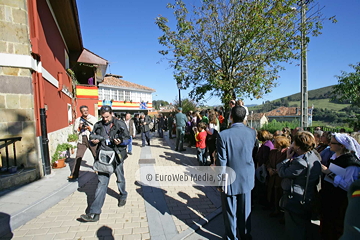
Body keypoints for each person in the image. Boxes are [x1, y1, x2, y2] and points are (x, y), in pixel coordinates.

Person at [80, 105, 130, 222]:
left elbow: (128, 138)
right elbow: (92, 138)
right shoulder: (98, 125)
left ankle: (123, 194)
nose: (105, 119)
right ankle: (94, 213)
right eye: (103, 117)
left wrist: (121, 142)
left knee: (120, 177)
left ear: (111, 114)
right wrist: (94, 141)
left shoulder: (119, 123)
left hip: (116, 156)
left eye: (107, 117)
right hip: (103, 158)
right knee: (101, 184)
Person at [216, 105, 256, 240]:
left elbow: (222, 161)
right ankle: (245, 235)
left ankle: (231, 237)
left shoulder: (223, 135)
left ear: (231, 117)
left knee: (229, 211)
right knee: (245, 210)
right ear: (244, 117)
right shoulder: (252, 132)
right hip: (247, 176)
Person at [277, 131, 321, 240]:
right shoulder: (314, 157)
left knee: (294, 230)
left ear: (297, 146)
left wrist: (287, 159)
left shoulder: (300, 162)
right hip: (308, 196)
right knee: (303, 228)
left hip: (296, 199)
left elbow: (282, 172)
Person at [320, 133, 360, 240]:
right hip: (329, 197)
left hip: (339, 201)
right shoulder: (335, 157)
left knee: (335, 228)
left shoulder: (351, 163)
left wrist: (329, 173)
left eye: (333, 143)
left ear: (342, 146)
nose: (329, 144)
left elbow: (349, 186)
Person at [68, 105, 97, 180]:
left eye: (86, 110)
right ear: (81, 112)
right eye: (83, 111)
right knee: (78, 157)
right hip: (82, 140)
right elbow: (75, 130)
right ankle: (74, 174)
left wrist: (89, 128)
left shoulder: (93, 119)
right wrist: (80, 127)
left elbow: (97, 129)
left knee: (95, 155)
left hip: (91, 139)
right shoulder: (78, 120)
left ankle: (98, 169)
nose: (85, 112)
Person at [266, 136, 290, 217]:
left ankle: (282, 212)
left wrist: (276, 171)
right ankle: (275, 209)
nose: (273, 143)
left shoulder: (287, 152)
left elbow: (287, 163)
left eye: (275, 142)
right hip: (272, 176)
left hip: (280, 177)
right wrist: (269, 169)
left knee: (280, 194)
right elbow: (268, 161)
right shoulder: (273, 152)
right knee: (273, 193)